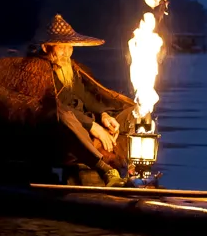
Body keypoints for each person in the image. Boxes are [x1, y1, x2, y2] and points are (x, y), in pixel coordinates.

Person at [31, 14, 138, 186]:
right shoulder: (38, 70)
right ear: (46, 47)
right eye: (61, 47)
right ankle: (105, 168)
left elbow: (85, 97)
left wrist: (103, 115)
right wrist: (92, 126)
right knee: (62, 113)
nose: (67, 52)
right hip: (66, 131)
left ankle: (131, 168)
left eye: (70, 46)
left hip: (87, 122)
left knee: (132, 111)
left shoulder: (69, 69)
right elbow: (54, 105)